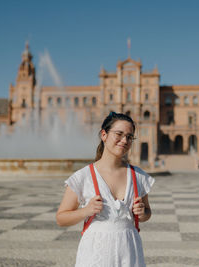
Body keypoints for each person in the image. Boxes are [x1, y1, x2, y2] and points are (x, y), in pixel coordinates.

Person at [56, 112, 155, 267]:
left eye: (129, 137)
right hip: (95, 252)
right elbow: (61, 218)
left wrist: (143, 213)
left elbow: (147, 213)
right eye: (119, 134)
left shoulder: (138, 176)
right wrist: (86, 211)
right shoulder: (84, 176)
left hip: (129, 250)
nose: (124, 141)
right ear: (104, 135)